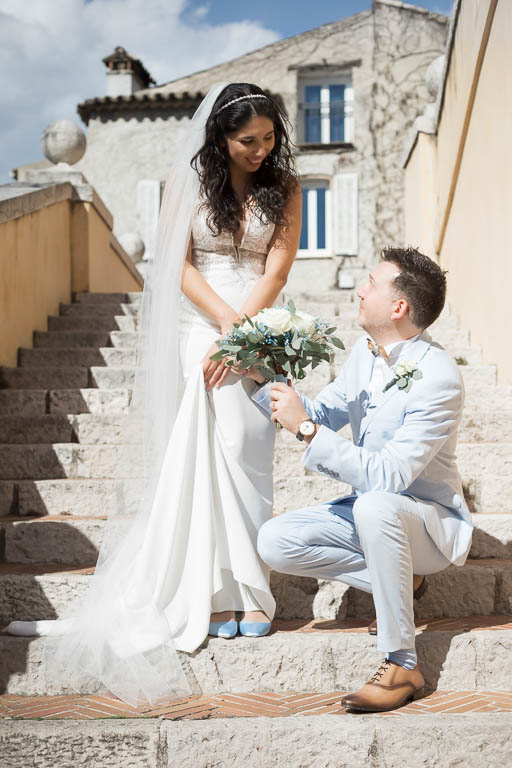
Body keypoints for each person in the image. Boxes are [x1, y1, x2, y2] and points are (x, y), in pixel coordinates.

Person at [5, 82, 301, 706]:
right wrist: (224, 326)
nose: (260, 149)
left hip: (258, 317)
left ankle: (250, 589)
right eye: (248, 140)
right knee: (211, 442)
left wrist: (246, 329)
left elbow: (277, 266)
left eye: (269, 138)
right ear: (220, 137)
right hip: (202, 321)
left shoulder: (285, 187)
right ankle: (214, 594)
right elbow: (176, 264)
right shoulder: (184, 180)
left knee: (250, 445)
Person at [255, 247, 473, 713]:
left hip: (427, 525)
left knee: (376, 504)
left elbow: (390, 476)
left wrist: (308, 431)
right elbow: (319, 414)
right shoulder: (362, 354)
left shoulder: (438, 377)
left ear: (398, 307)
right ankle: (398, 581)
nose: (360, 289)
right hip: (370, 514)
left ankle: (401, 663)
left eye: (371, 283)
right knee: (274, 541)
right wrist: (262, 377)